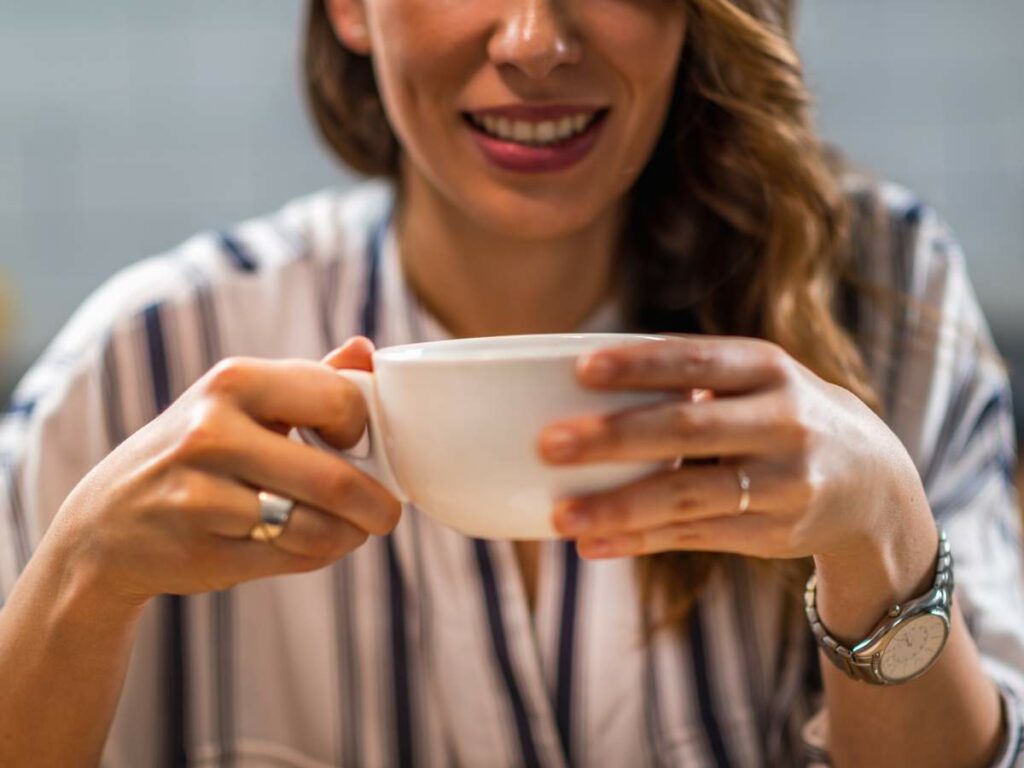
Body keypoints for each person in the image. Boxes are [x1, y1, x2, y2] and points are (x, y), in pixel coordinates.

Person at [1, 0, 1022, 765]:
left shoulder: (888, 305)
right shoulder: (136, 366)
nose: (534, 40)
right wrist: (80, 584)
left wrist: (878, 533)